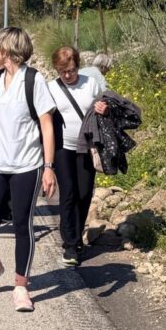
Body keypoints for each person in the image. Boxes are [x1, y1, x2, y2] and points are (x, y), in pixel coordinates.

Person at [0, 27, 57, 312]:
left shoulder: (34, 80)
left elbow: (46, 125)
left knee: (22, 224)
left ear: (7, 50)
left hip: (26, 165)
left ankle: (21, 285)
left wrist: (48, 167)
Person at [49, 46, 108, 267]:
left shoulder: (90, 83)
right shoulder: (50, 88)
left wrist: (104, 108)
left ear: (77, 66)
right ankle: (70, 245)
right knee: (69, 194)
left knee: (84, 194)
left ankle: (76, 233)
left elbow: (103, 108)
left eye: (71, 70)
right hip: (63, 147)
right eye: (62, 71)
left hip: (87, 146)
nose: (67, 76)